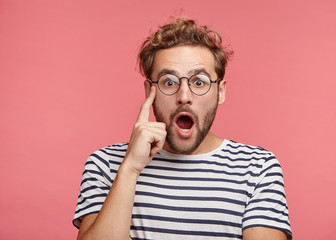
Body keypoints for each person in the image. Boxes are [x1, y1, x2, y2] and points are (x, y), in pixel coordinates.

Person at [73, 18, 292, 240]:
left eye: (199, 82)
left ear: (221, 91)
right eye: (169, 82)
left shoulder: (258, 168)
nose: (184, 97)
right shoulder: (106, 164)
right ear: (150, 91)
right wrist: (130, 168)